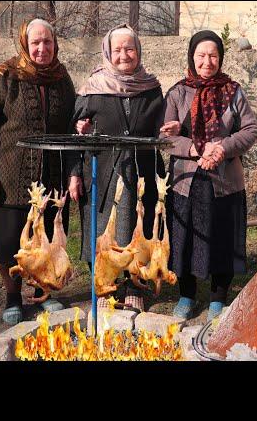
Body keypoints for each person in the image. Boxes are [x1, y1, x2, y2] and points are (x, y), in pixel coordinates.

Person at [0, 19, 76, 325]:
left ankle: (45, 292)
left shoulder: (62, 79)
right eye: (36, 43)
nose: (42, 48)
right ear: (25, 45)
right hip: (11, 177)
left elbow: (71, 126)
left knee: (50, 242)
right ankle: (13, 296)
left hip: (52, 177)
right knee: (8, 242)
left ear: (55, 44)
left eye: (48, 42)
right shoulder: (6, 76)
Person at [68, 23, 171, 312]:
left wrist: (168, 130)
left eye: (130, 49)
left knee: (137, 230)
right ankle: (103, 288)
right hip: (101, 171)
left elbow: (162, 127)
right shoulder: (92, 89)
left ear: (139, 52)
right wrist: (75, 172)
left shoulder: (151, 89)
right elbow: (73, 135)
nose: (124, 55)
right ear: (107, 53)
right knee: (102, 231)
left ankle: (133, 286)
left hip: (141, 171)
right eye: (118, 50)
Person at [160, 30, 257, 322]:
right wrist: (190, 147)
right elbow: (164, 136)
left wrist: (223, 147)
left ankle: (218, 298)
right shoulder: (178, 92)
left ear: (220, 58)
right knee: (184, 237)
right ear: (192, 56)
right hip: (186, 182)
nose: (207, 61)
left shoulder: (233, 91)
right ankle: (187, 295)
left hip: (224, 181)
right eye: (201, 55)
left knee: (222, 238)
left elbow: (250, 129)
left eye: (213, 55)